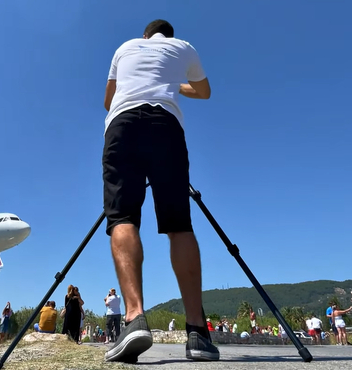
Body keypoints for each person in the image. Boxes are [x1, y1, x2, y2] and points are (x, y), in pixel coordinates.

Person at [100, 19, 216, 363]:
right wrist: (176, 85)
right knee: (179, 224)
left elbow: (109, 100)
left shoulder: (124, 47)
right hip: (165, 125)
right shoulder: (184, 49)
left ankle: (135, 319)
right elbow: (205, 91)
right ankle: (197, 332)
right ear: (170, 36)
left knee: (123, 218)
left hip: (122, 125)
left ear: (146, 35)